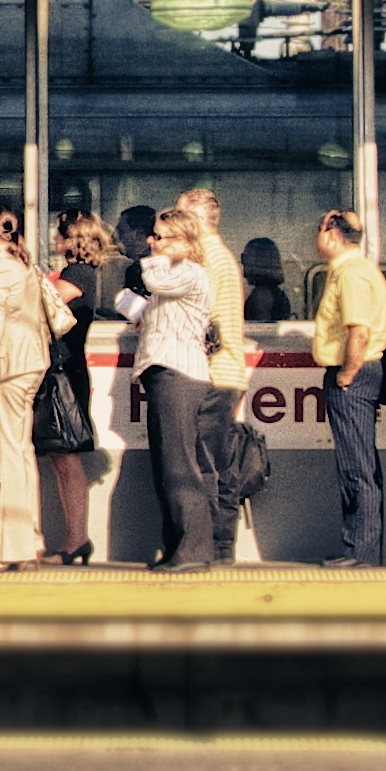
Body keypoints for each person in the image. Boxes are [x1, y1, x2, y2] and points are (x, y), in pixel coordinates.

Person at [116, 208, 217, 573]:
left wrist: (157, 257)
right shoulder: (175, 275)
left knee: (179, 466)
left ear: (184, 242)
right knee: (167, 465)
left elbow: (156, 280)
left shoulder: (190, 272)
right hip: (165, 372)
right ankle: (177, 547)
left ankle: (194, 551)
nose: (151, 242)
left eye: (159, 236)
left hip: (179, 374)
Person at [40, 211, 129, 565]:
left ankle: (76, 539)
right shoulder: (77, 272)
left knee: (67, 455)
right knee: (59, 456)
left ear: (72, 239)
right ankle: (73, 539)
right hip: (62, 371)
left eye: (59, 235)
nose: (54, 240)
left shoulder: (78, 274)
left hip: (66, 373)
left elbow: (47, 301)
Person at [308, 209, 386, 567]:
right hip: (358, 372)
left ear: (332, 235)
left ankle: (361, 552)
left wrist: (346, 373)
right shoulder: (354, 269)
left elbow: (358, 332)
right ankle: (359, 548)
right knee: (358, 463)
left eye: (319, 230)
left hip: (354, 374)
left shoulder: (352, 273)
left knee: (356, 466)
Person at [0, 204, 49, 572]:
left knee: (5, 458)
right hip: (29, 362)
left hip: (8, 367)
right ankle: (30, 539)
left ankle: (9, 550)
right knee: (21, 453)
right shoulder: (20, 264)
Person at [175, 188, 252, 564]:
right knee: (216, 462)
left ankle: (217, 545)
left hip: (214, 373)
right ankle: (218, 544)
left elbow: (202, 317)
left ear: (196, 219)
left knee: (211, 465)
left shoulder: (209, 259)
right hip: (225, 371)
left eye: (180, 215)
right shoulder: (221, 257)